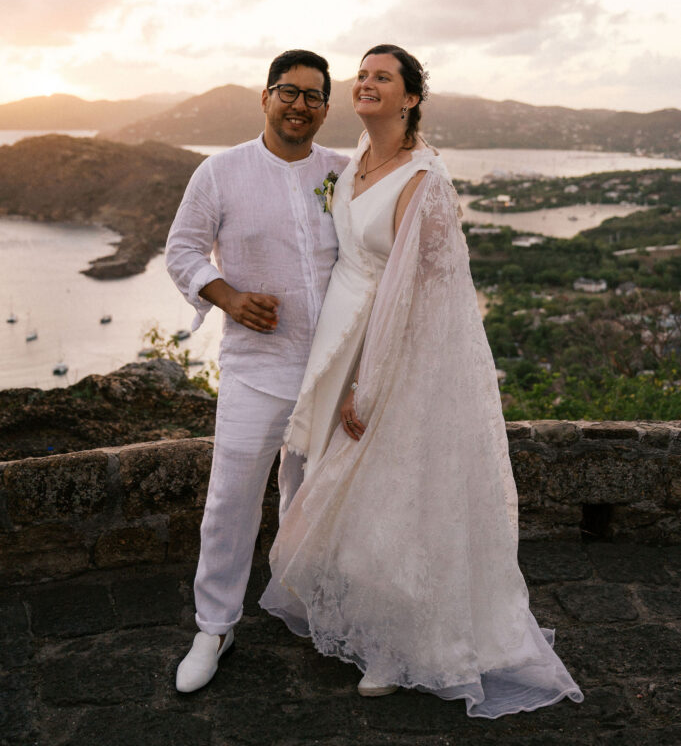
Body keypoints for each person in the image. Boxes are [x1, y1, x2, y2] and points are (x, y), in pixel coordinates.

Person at [261, 45, 584, 717]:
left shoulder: (423, 180)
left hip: (394, 349)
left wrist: (372, 383)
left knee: (392, 494)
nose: (366, 83)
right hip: (338, 337)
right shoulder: (355, 162)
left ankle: (401, 643)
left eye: (383, 77)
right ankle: (360, 615)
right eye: (363, 75)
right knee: (334, 482)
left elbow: (416, 293)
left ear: (410, 97)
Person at [166, 49, 348, 693]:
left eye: (314, 96)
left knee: (314, 496)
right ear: (265, 97)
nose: (300, 105)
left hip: (330, 370)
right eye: (288, 92)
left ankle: (309, 603)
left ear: (327, 107)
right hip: (254, 369)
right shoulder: (220, 172)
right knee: (231, 499)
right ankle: (215, 625)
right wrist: (229, 298)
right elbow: (183, 250)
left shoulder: (343, 173)